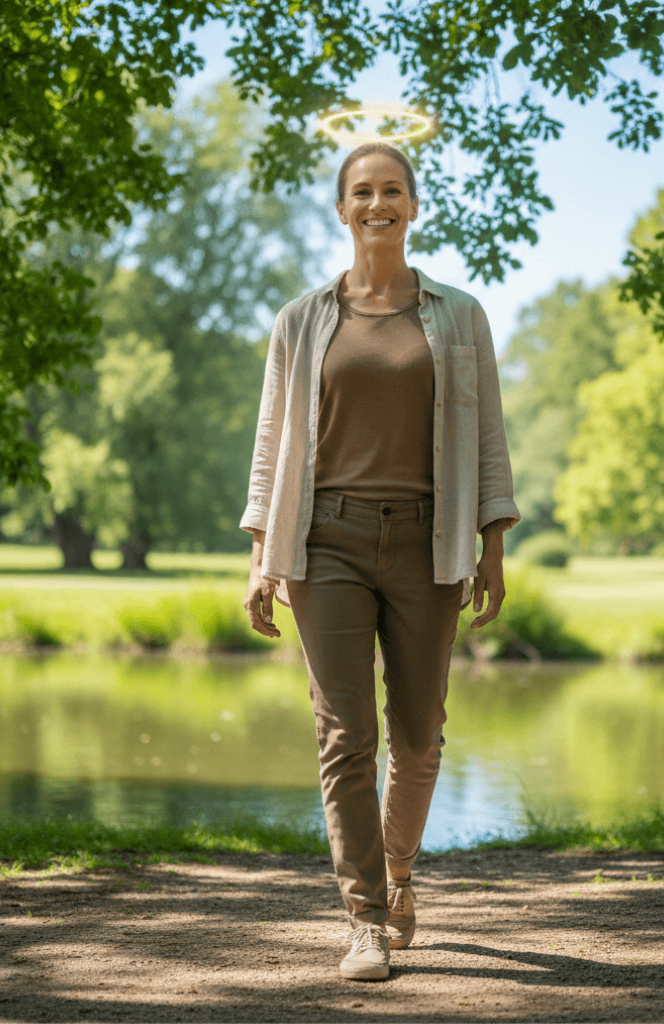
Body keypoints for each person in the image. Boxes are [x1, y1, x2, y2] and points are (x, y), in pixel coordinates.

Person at [241, 141, 520, 981]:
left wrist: (493, 543)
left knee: (420, 735)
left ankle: (400, 871)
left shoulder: (459, 315)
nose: (377, 204)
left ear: (412, 204)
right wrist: (262, 555)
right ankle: (363, 919)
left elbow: (489, 438)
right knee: (344, 735)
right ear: (340, 208)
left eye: (392, 190)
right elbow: (271, 444)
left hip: (431, 541)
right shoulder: (302, 319)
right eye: (362, 192)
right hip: (324, 540)